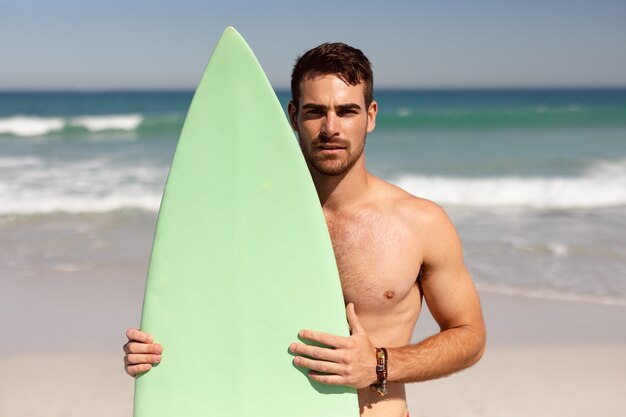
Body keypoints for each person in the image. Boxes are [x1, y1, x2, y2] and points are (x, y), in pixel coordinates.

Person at [124, 42, 486, 417]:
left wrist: (379, 364)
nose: (331, 128)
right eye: (316, 112)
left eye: (347, 111)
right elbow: (211, 322)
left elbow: (470, 337)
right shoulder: (247, 225)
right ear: (293, 116)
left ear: (371, 115)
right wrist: (153, 355)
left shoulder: (419, 223)